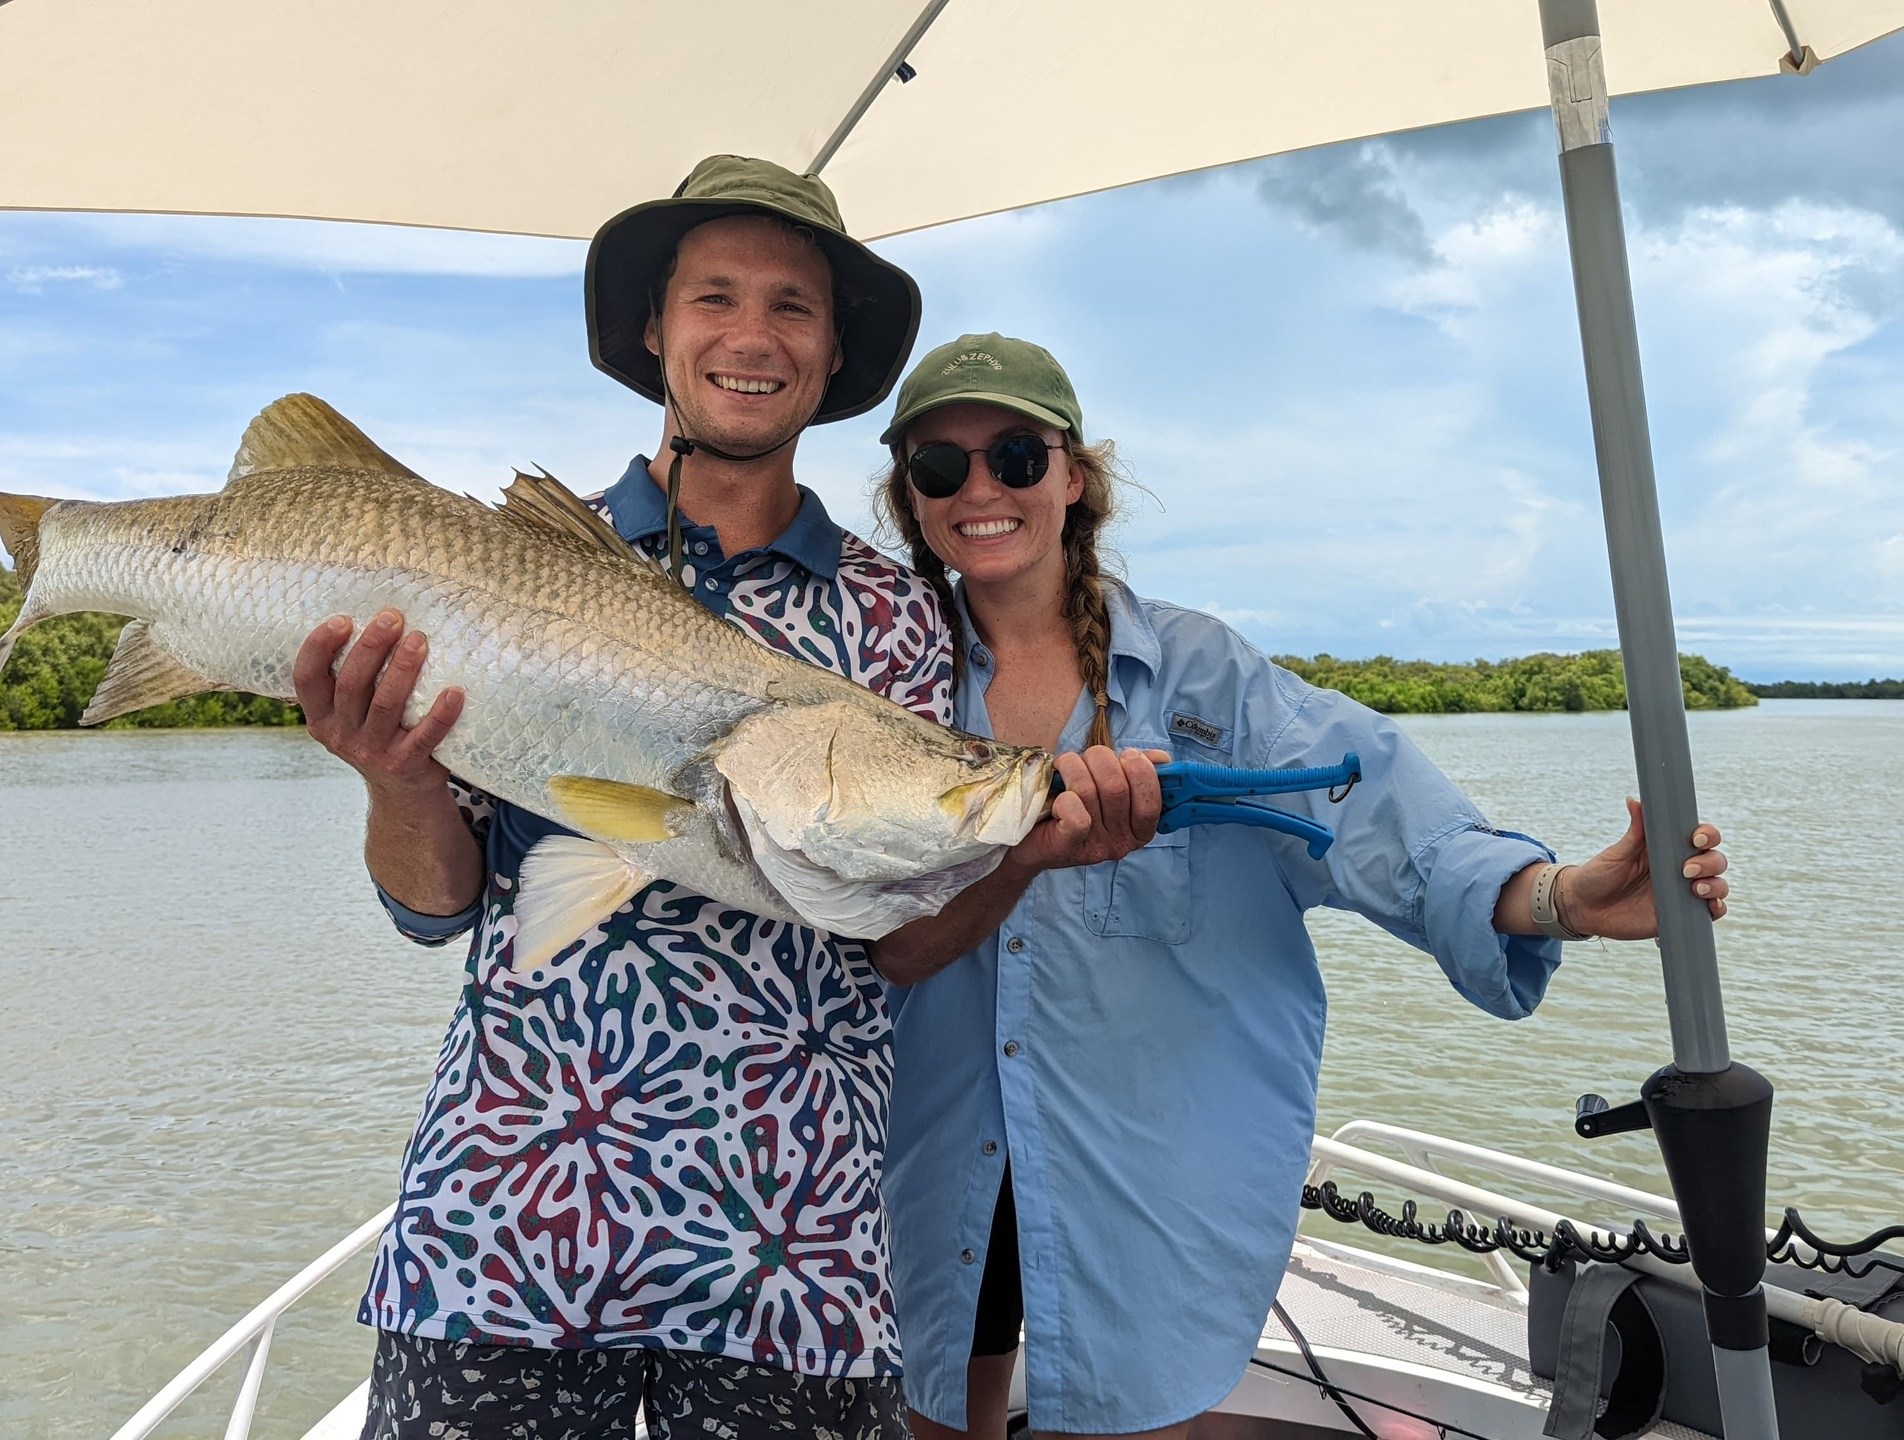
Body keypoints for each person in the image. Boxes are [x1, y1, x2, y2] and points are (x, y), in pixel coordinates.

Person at [866, 332, 1732, 1440]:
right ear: (912, 495)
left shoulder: (1204, 679)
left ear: (1074, 476)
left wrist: (1559, 897)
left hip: (1144, 1163)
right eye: (941, 466)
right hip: (929, 1145)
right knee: (937, 1405)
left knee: (1138, 1411)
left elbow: (1376, 810)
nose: (980, 489)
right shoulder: (879, 674)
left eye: (1017, 457)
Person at [291, 156, 939, 1439]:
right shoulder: (500, 565)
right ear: (655, 329)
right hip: (506, 1223)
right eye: (714, 297)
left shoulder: (900, 616)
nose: (752, 336)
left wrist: (1025, 845)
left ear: (831, 352)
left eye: (794, 307)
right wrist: (394, 777)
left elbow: (904, 932)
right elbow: (435, 910)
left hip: (793, 1244)